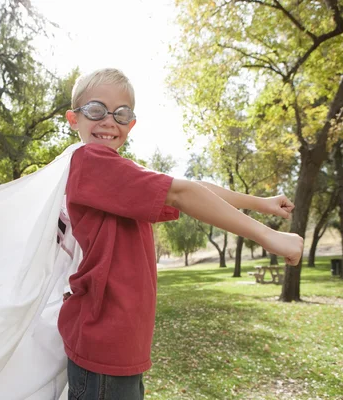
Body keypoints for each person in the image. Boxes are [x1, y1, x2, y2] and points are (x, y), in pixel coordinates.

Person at [58, 68, 303, 400]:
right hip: (104, 344)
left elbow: (192, 190)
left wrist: (261, 203)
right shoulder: (91, 161)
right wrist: (267, 235)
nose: (108, 121)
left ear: (131, 124)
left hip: (121, 346)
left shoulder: (116, 175)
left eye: (121, 113)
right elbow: (181, 193)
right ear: (74, 119)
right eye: (96, 110)